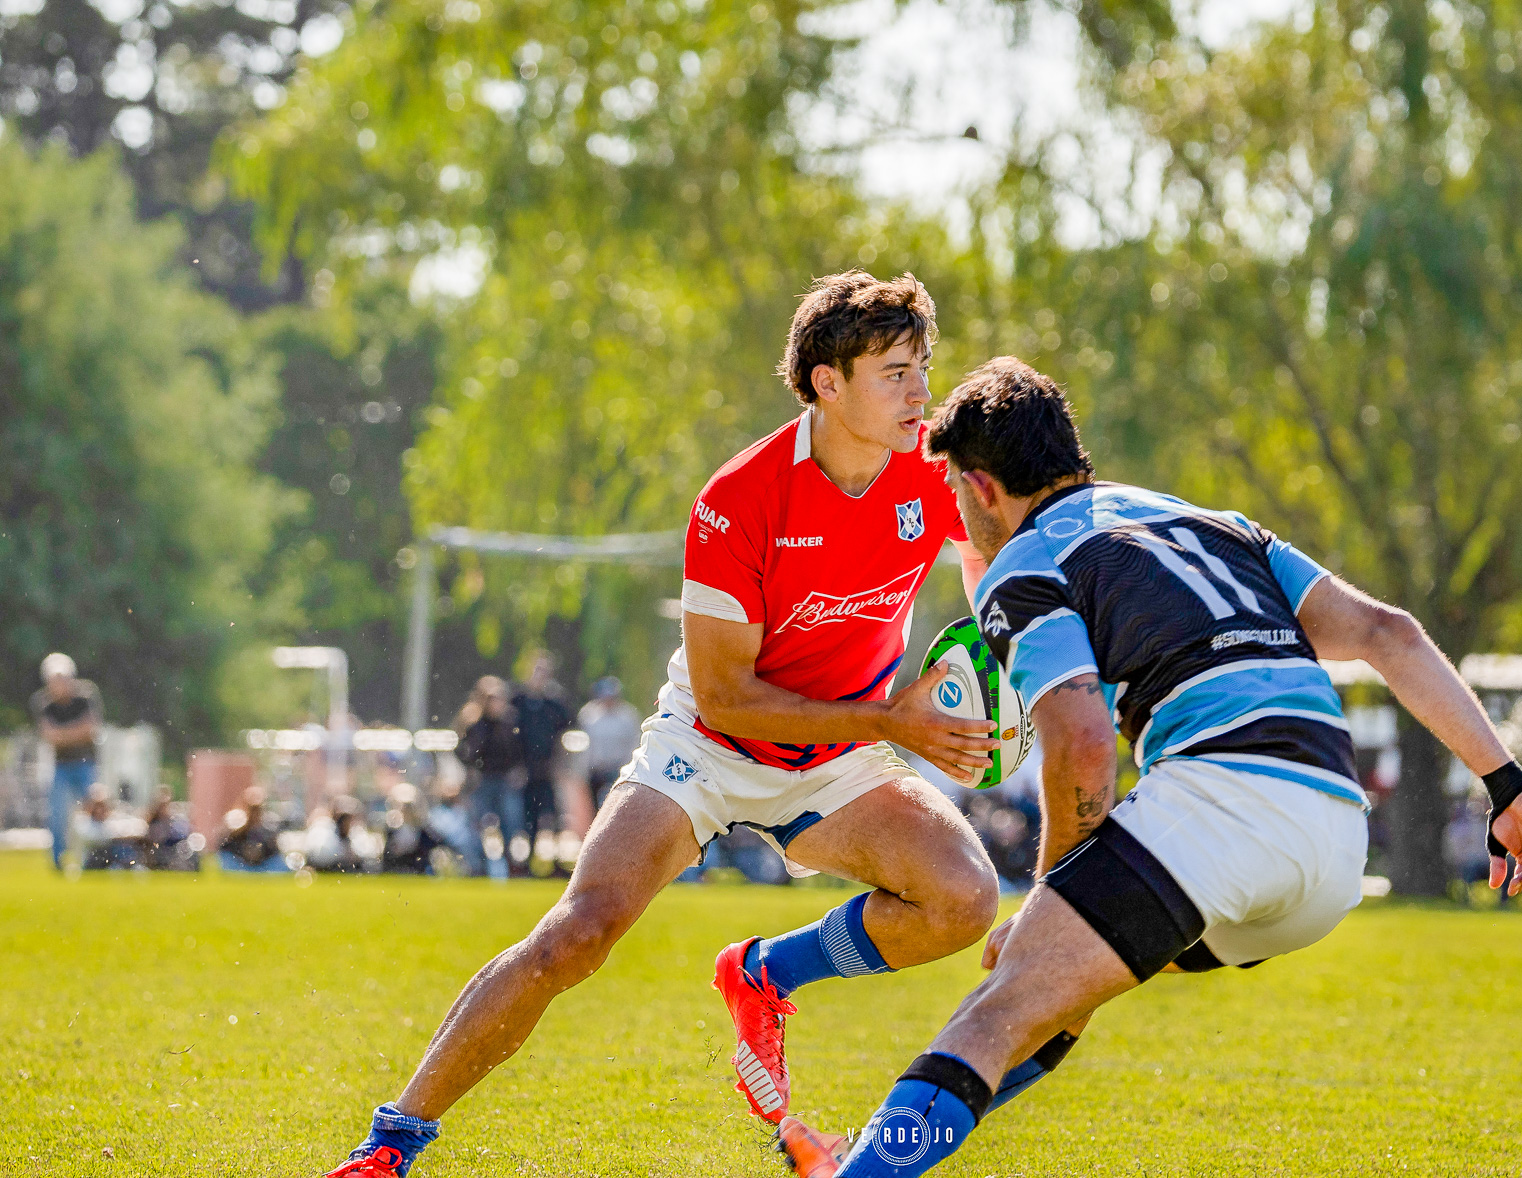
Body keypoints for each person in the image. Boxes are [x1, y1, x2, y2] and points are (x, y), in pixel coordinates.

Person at [775, 357, 1522, 1176]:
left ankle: (862, 1171)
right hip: (1331, 855)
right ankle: (871, 1156)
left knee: (1001, 1009)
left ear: (977, 488)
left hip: (1222, 812)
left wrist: (1049, 892)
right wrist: (1506, 784)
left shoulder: (1025, 562)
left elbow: (1081, 744)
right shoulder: (1221, 526)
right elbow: (1388, 632)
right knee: (1055, 1001)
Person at [316, 271, 1012, 1178]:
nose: (921, 392)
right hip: (711, 746)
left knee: (964, 898)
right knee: (579, 934)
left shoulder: (932, 471)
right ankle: (390, 1143)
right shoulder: (740, 498)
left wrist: (995, 659)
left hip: (840, 748)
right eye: (895, 372)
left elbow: (990, 564)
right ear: (826, 384)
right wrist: (894, 719)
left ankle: (768, 972)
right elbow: (727, 699)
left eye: (923, 367)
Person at [31, 653, 103, 872]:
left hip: (86, 763)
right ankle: (58, 862)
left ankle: (96, 858)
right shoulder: (44, 703)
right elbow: (48, 735)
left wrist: (63, 735)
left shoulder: (86, 696)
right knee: (57, 816)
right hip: (60, 766)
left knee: (95, 812)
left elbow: (91, 729)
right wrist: (75, 732)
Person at [453, 677, 527, 877]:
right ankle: (478, 867)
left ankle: (513, 866)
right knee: (476, 825)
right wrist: (471, 769)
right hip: (481, 781)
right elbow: (462, 750)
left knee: (511, 823)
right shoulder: (473, 724)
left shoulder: (510, 722)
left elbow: (519, 751)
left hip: (504, 781)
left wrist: (517, 770)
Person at [511, 652, 574, 861]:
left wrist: (560, 765)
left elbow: (563, 735)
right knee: (526, 815)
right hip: (524, 769)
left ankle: (555, 861)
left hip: (547, 767)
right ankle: (526, 859)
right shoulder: (517, 701)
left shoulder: (555, 704)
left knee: (552, 815)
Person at [577, 676, 641, 818]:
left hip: (619, 768)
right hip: (596, 769)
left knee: (617, 808)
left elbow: (634, 742)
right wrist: (583, 769)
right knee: (596, 810)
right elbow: (586, 744)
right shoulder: (589, 715)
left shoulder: (628, 716)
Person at [216, 787, 288, 872]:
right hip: (239, 862)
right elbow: (223, 845)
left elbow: (274, 850)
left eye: (258, 808)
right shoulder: (235, 821)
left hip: (263, 863)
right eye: (252, 808)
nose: (255, 812)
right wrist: (243, 827)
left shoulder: (268, 824)